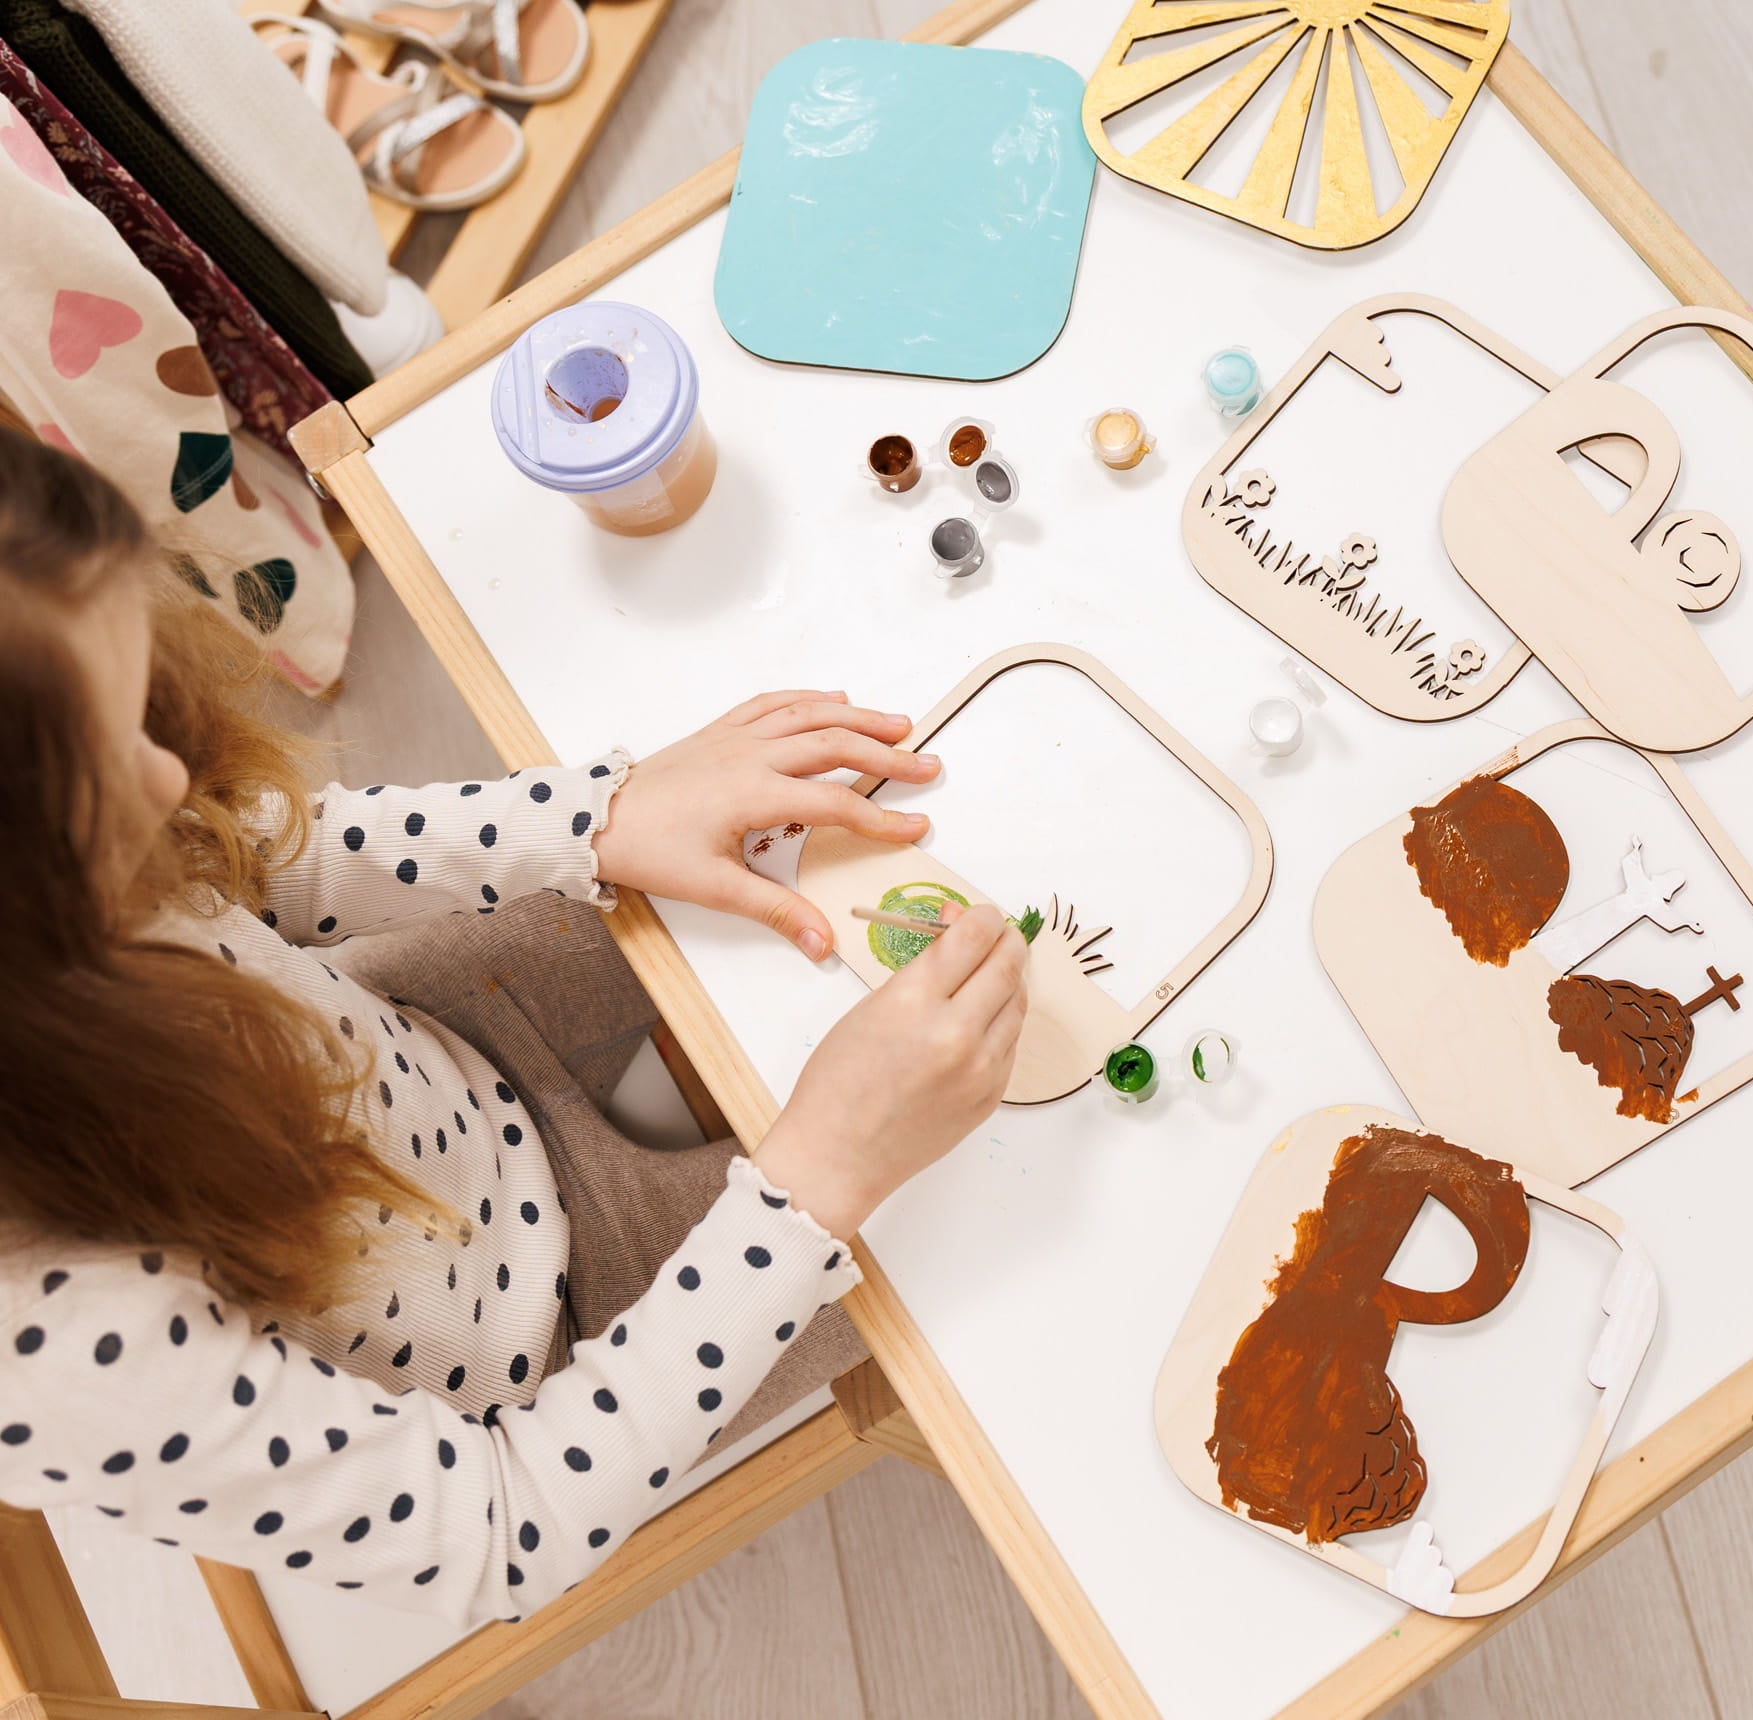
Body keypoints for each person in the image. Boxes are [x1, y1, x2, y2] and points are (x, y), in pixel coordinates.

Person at [0, 425, 1027, 1625]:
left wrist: (598, 812)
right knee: (1006, 1193)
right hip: (568, 1333)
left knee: (825, 881)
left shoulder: (87, 868)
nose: (166, 781)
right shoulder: (50, 1340)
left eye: (139, 716)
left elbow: (257, 855)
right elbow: (503, 1529)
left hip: (437, 1045)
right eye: (101, 791)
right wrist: (817, 1179)